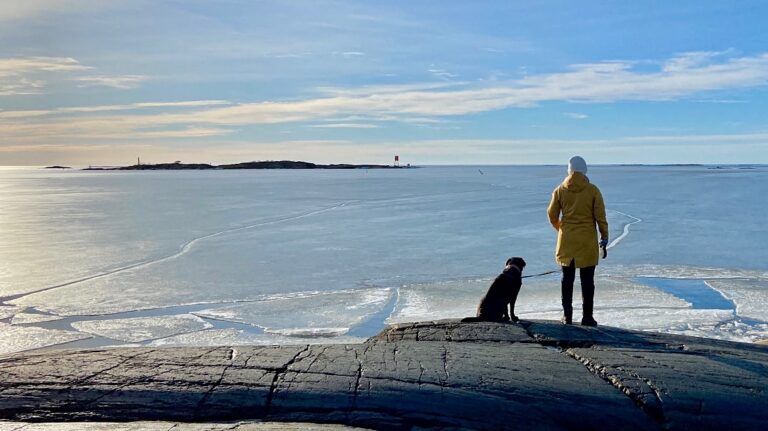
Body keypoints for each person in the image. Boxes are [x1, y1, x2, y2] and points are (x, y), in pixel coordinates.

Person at [547, 156, 608, 326]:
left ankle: (567, 316)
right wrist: (604, 237)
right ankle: (587, 317)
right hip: (587, 241)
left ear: (569, 170)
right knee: (587, 281)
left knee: (567, 280)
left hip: (566, 240)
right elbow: (600, 217)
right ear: (585, 170)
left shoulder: (560, 190)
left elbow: (552, 215)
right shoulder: (593, 190)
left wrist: (561, 229)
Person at [462, 257, 526, 323]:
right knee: (503, 298)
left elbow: (503, 299)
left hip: (484, 312)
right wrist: (511, 316)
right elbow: (511, 299)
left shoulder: (503, 276)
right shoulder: (515, 279)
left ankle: (504, 316)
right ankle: (508, 316)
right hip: (492, 315)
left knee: (498, 298)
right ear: (521, 267)